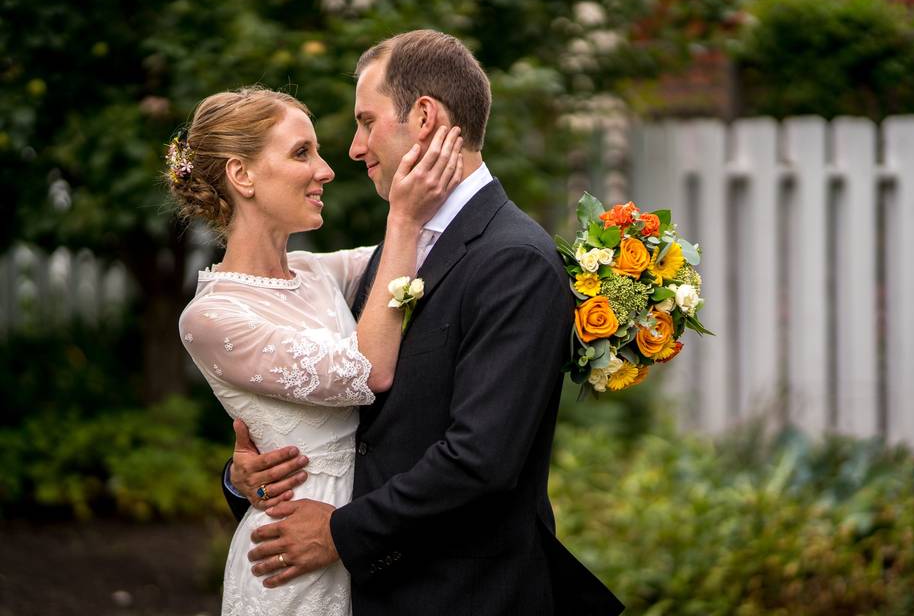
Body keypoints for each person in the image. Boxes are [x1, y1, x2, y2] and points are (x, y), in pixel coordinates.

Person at [224, 31, 624, 615]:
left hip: (462, 597)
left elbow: (480, 460)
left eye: (367, 122)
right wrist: (250, 476)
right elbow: (357, 423)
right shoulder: (396, 249)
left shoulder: (514, 260)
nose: (355, 149)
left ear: (426, 117)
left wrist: (339, 533)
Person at [170, 86, 463, 616]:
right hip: (289, 564)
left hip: (362, 544)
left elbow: (438, 252)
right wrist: (401, 217)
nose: (326, 170)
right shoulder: (212, 317)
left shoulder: (316, 272)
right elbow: (366, 372)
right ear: (242, 175)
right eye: (301, 153)